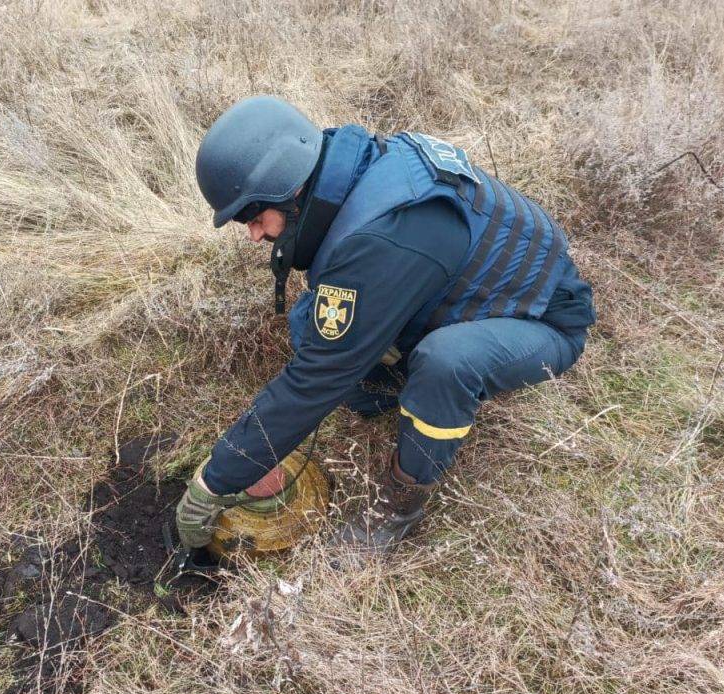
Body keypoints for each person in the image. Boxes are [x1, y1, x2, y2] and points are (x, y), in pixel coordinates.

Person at [176, 95, 596, 552]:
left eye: (255, 217)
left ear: (291, 192)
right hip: (460, 292)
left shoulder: (385, 237)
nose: (254, 235)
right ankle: (401, 394)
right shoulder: (347, 172)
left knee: (445, 363)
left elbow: (315, 383)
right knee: (311, 323)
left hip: (541, 321)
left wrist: (214, 482)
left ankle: (399, 507)